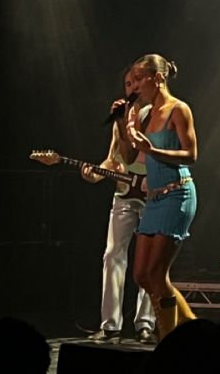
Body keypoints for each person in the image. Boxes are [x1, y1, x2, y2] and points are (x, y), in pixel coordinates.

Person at [122, 54, 198, 342]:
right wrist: (122, 123)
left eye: (140, 79)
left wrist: (152, 150)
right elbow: (129, 156)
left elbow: (191, 155)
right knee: (141, 275)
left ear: (158, 78)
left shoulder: (179, 110)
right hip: (153, 199)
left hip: (177, 194)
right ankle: (190, 327)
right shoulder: (143, 114)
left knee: (157, 273)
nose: (136, 86)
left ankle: (169, 339)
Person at [78, 67, 156, 344]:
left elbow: (145, 153)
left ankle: (145, 323)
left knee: (147, 262)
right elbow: (113, 158)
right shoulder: (119, 119)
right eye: (126, 83)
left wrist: (128, 124)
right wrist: (96, 173)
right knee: (112, 255)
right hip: (123, 194)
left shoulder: (156, 114)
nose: (130, 87)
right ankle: (110, 325)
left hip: (151, 193)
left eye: (135, 81)